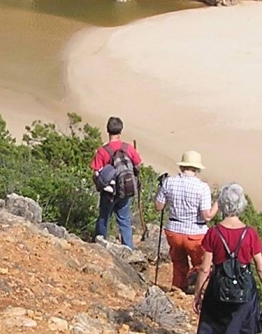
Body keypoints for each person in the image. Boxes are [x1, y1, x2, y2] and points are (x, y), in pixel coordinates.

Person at [192, 183, 262, 334]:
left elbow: (205, 268)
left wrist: (197, 294)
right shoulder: (250, 233)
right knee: (244, 323)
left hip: (218, 287)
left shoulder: (213, 233)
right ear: (242, 205)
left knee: (216, 325)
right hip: (245, 287)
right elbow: (261, 267)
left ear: (222, 204)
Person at [154, 151, 217, 292]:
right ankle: (200, 291)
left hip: (174, 231)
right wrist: (217, 205)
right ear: (197, 169)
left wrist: (160, 188)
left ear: (182, 166)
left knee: (178, 263)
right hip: (195, 233)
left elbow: (158, 206)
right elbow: (207, 216)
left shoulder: (169, 182)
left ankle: (178, 289)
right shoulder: (202, 187)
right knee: (201, 265)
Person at [91, 117, 142, 247]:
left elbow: (96, 173)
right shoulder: (128, 148)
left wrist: (99, 185)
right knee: (124, 221)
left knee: (104, 218)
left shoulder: (102, 151)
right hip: (125, 190)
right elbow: (138, 164)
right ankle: (129, 249)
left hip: (109, 193)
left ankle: (99, 244)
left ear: (107, 130)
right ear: (121, 130)